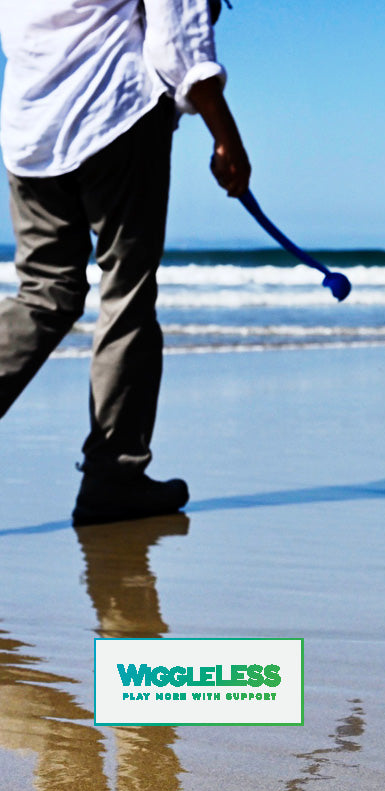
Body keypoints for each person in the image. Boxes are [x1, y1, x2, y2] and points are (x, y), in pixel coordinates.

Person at [0, 0, 251, 523]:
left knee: (44, 295)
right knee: (127, 298)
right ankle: (114, 478)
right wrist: (225, 135)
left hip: (30, 128)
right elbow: (174, 39)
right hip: (113, 116)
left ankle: (115, 478)